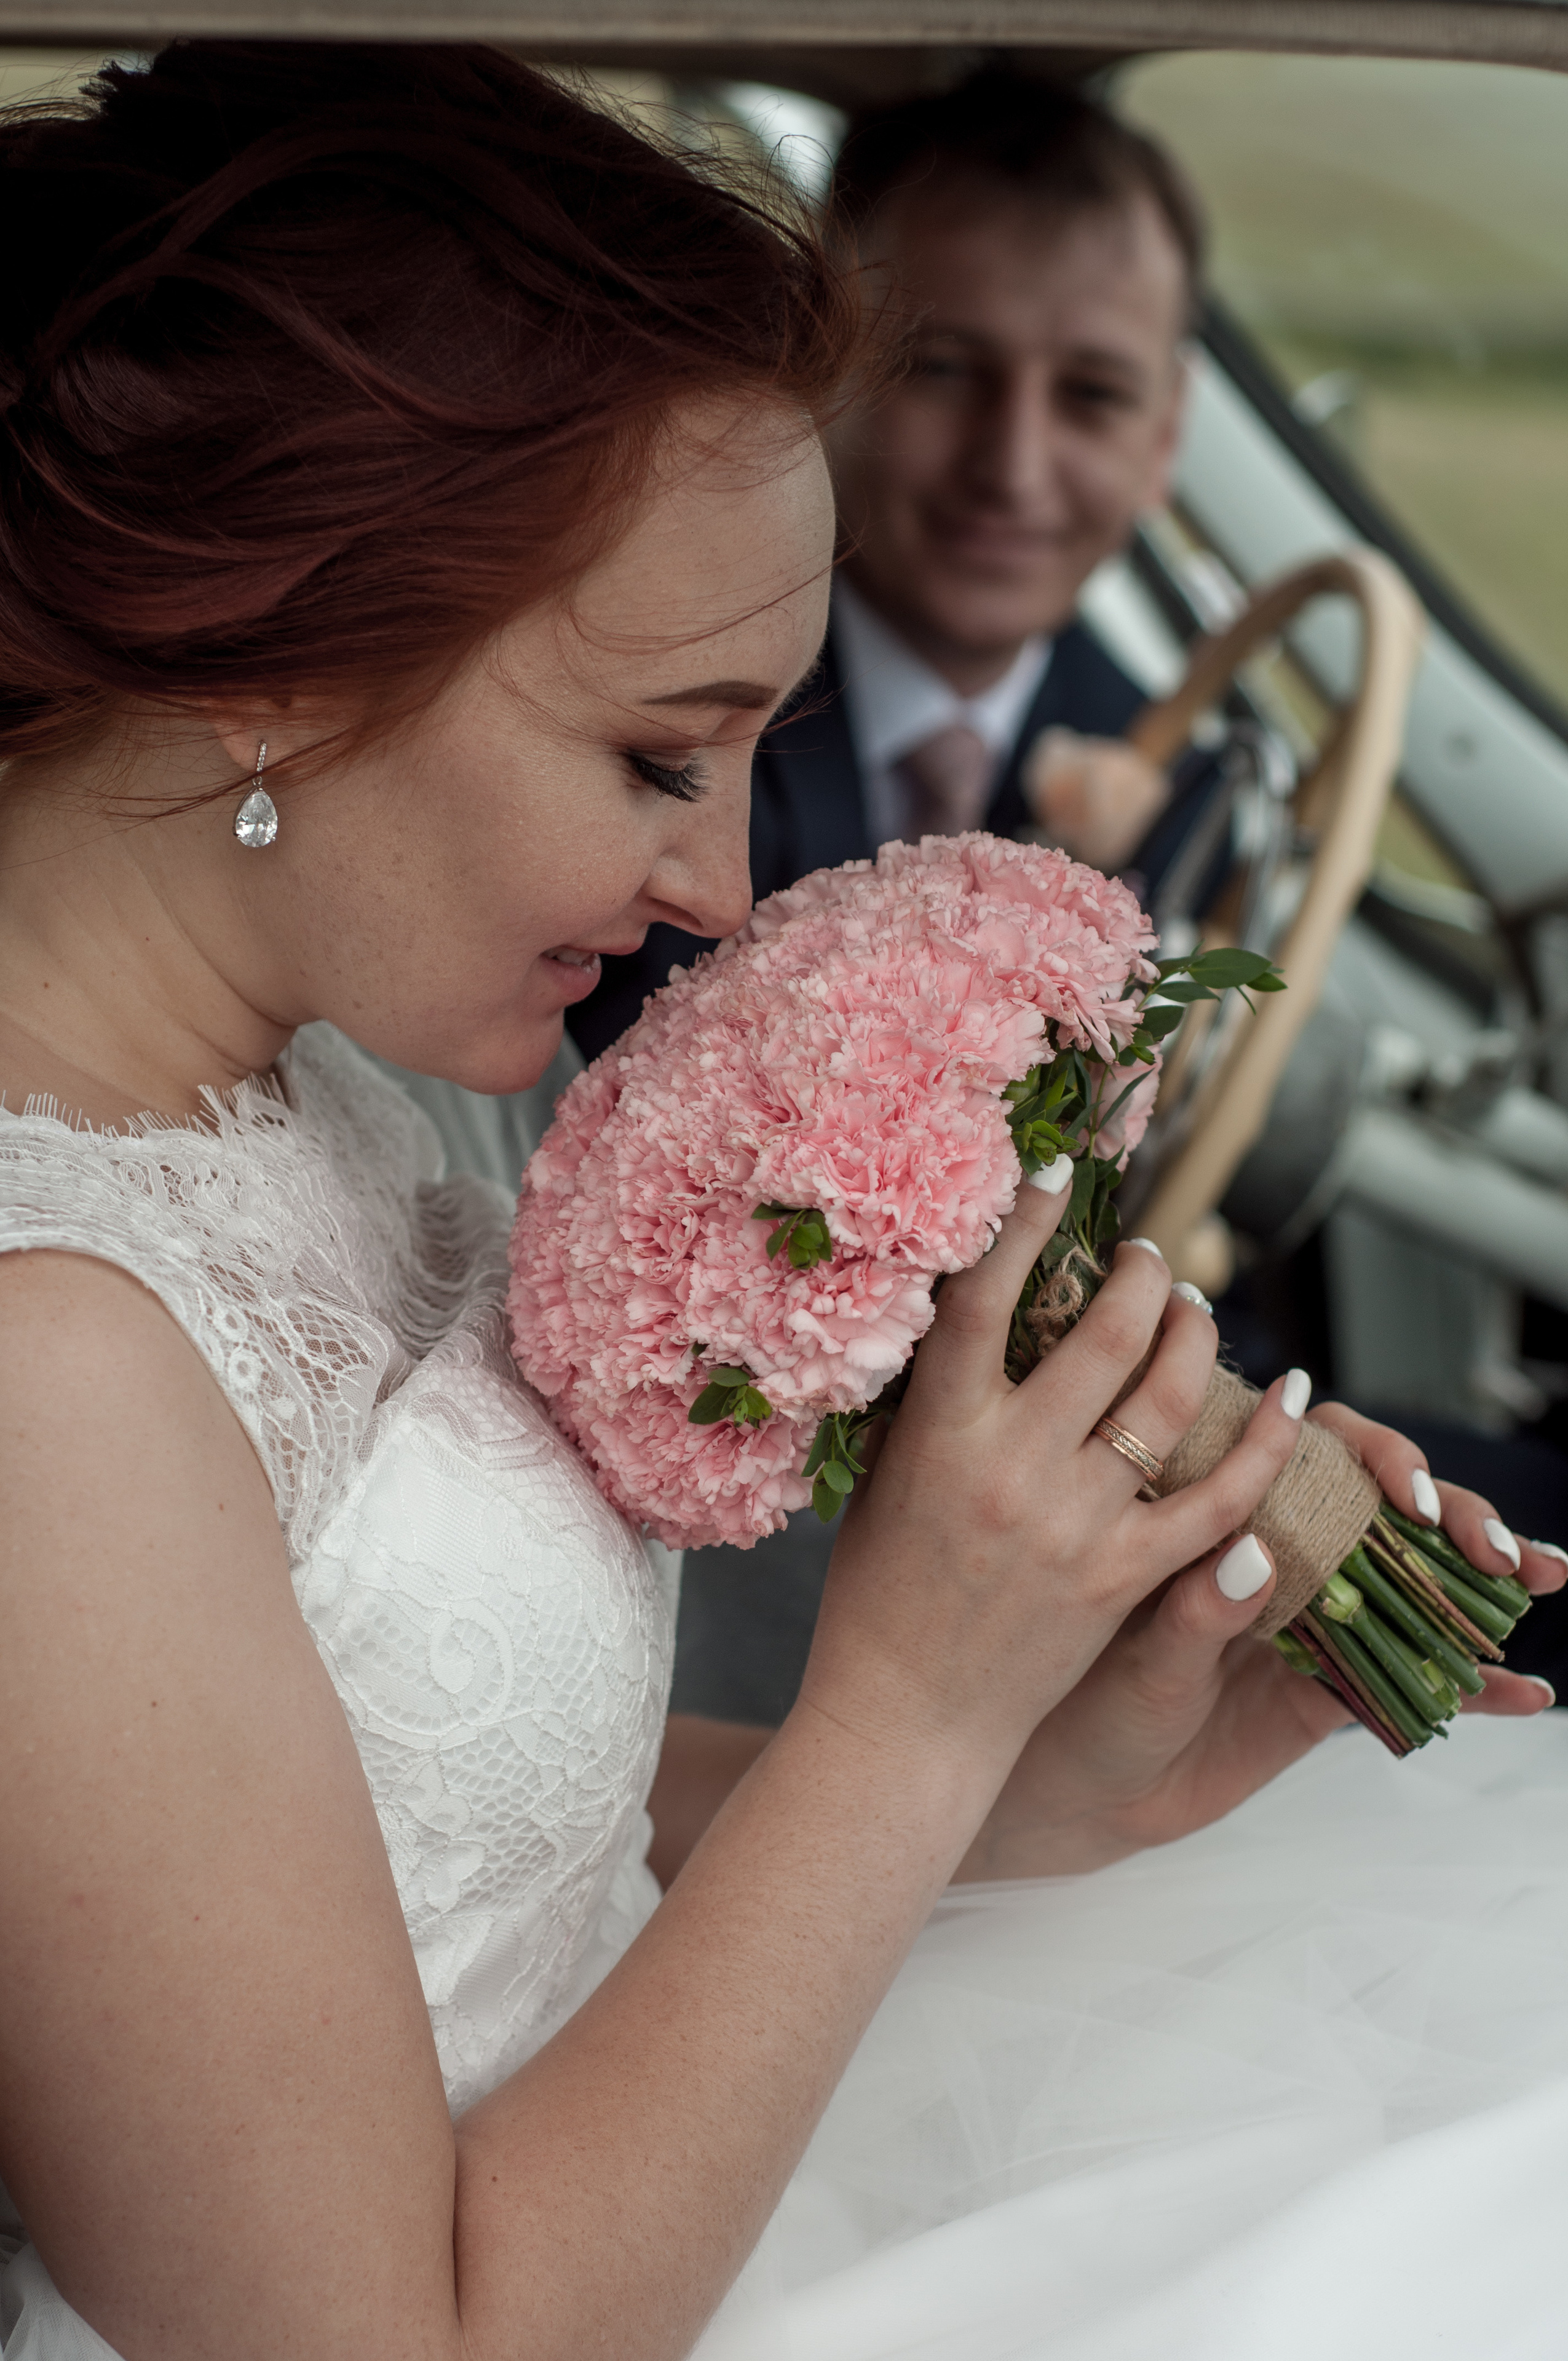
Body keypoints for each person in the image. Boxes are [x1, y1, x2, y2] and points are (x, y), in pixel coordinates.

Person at [1, 46, 1564, 2361]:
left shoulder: (318, 1092)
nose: (728, 892)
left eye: (755, 753)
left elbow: (463, 1849)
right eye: (657, 753)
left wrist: (1036, 1775)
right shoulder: (51, 1369)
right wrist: (905, 1719)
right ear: (280, 655)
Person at [569, 77, 1230, 1723]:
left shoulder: (1207, 779)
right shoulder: (662, 720)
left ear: (1163, 438)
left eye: (1089, 395)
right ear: (834, 367)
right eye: (945, 371)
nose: (1015, 464)